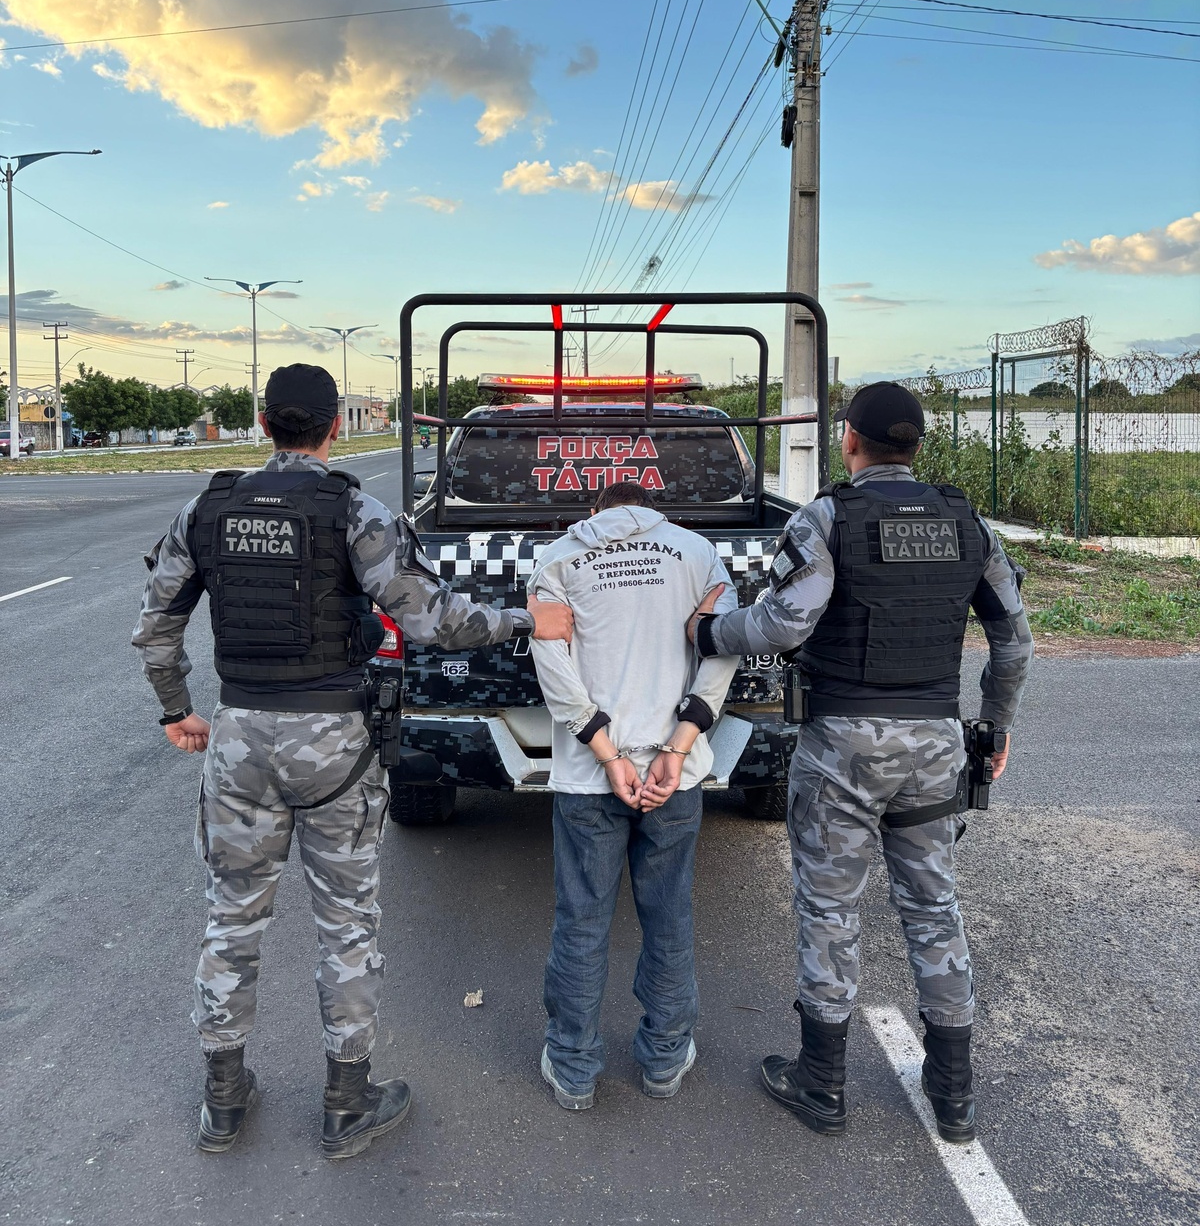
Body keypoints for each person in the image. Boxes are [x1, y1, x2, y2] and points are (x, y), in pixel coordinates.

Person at [132, 363, 573, 1159]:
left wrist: (176, 709)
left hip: (237, 737)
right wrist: (523, 621)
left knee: (231, 917)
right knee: (347, 923)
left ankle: (223, 1102)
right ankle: (346, 1102)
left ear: (263, 424)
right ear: (334, 428)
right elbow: (432, 618)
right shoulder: (356, 511)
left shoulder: (207, 508)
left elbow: (157, 621)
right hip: (333, 743)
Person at [689, 382, 1033, 1143]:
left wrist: (711, 635)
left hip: (842, 744)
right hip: (935, 741)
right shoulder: (967, 523)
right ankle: (953, 1095)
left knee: (829, 907)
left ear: (850, 439)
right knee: (933, 907)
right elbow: (1015, 640)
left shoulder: (830, 519)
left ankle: (823, 1083)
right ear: (917, 446)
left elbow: (785, 622)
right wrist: (995, 727)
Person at [527, 480, 738, 1111]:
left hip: (591, 777)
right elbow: (722, 649)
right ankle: (665, 1058)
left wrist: (607, 752)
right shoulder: (697, 553)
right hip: (675, 774)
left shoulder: (559, 558)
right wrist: (678, 743)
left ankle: (572, 1067)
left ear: (597, 514)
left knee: (582, 918)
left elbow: (552, 665)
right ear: (653, 513)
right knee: (668, 913)